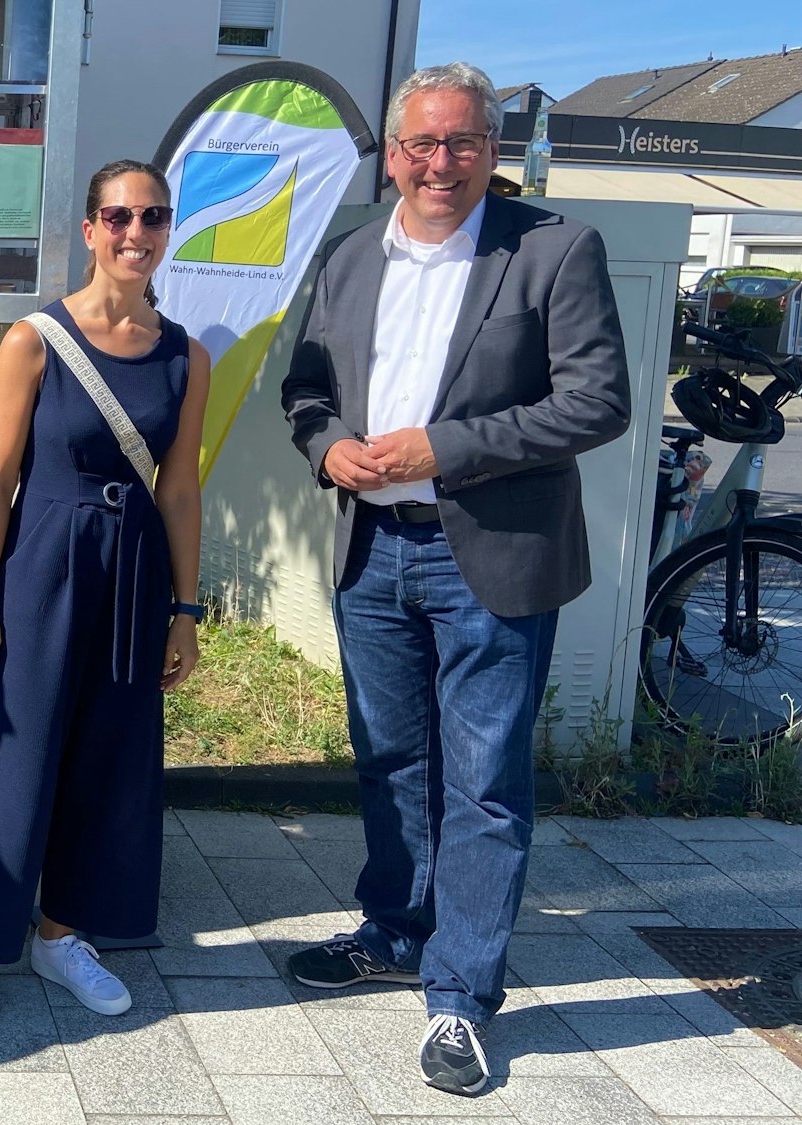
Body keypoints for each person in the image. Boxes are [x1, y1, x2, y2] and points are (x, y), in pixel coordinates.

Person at [279, 62, 630, 1097]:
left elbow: (596, 401)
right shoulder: (348, 256)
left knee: (481, 785)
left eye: (462, 143)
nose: (440, 163)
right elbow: (303, 386)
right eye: (421, 145)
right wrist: (327, 447)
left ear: (491, 151)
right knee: (388, 762)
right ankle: (391, 933)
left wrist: (445, 446)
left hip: (488, 553)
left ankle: (459, 998)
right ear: (391, 156)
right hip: (371, 552)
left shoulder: (553, 250)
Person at [0, 160, 209, 1028]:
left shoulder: (185, 356)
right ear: (90, 229)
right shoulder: (36, 340)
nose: (138, 233)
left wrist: (186, 609)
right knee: (14, 758)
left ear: (169, 229)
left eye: (154, 217)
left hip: (135, 575)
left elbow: (179, 491)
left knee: (110, 759)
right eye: (120, 216)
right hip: (42, 565)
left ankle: (61, 934)